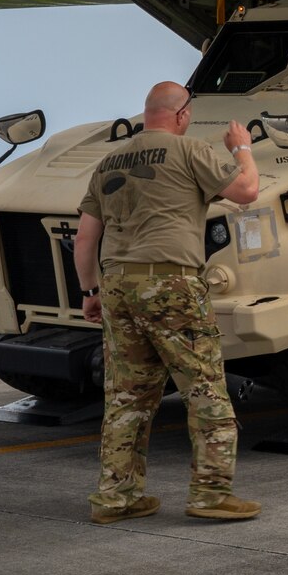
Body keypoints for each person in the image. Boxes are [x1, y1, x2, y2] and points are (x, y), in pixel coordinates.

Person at [71, 81, 261, 525]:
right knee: (204, 389)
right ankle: (211, 495)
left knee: (127, 397)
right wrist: (241, 148)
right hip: (172, 284)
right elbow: (247, 191)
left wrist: (89, 292)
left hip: (118, 285)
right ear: (181, 115)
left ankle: (117, 499)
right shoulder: (191, 151)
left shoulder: (108, 163)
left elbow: (84, 239)